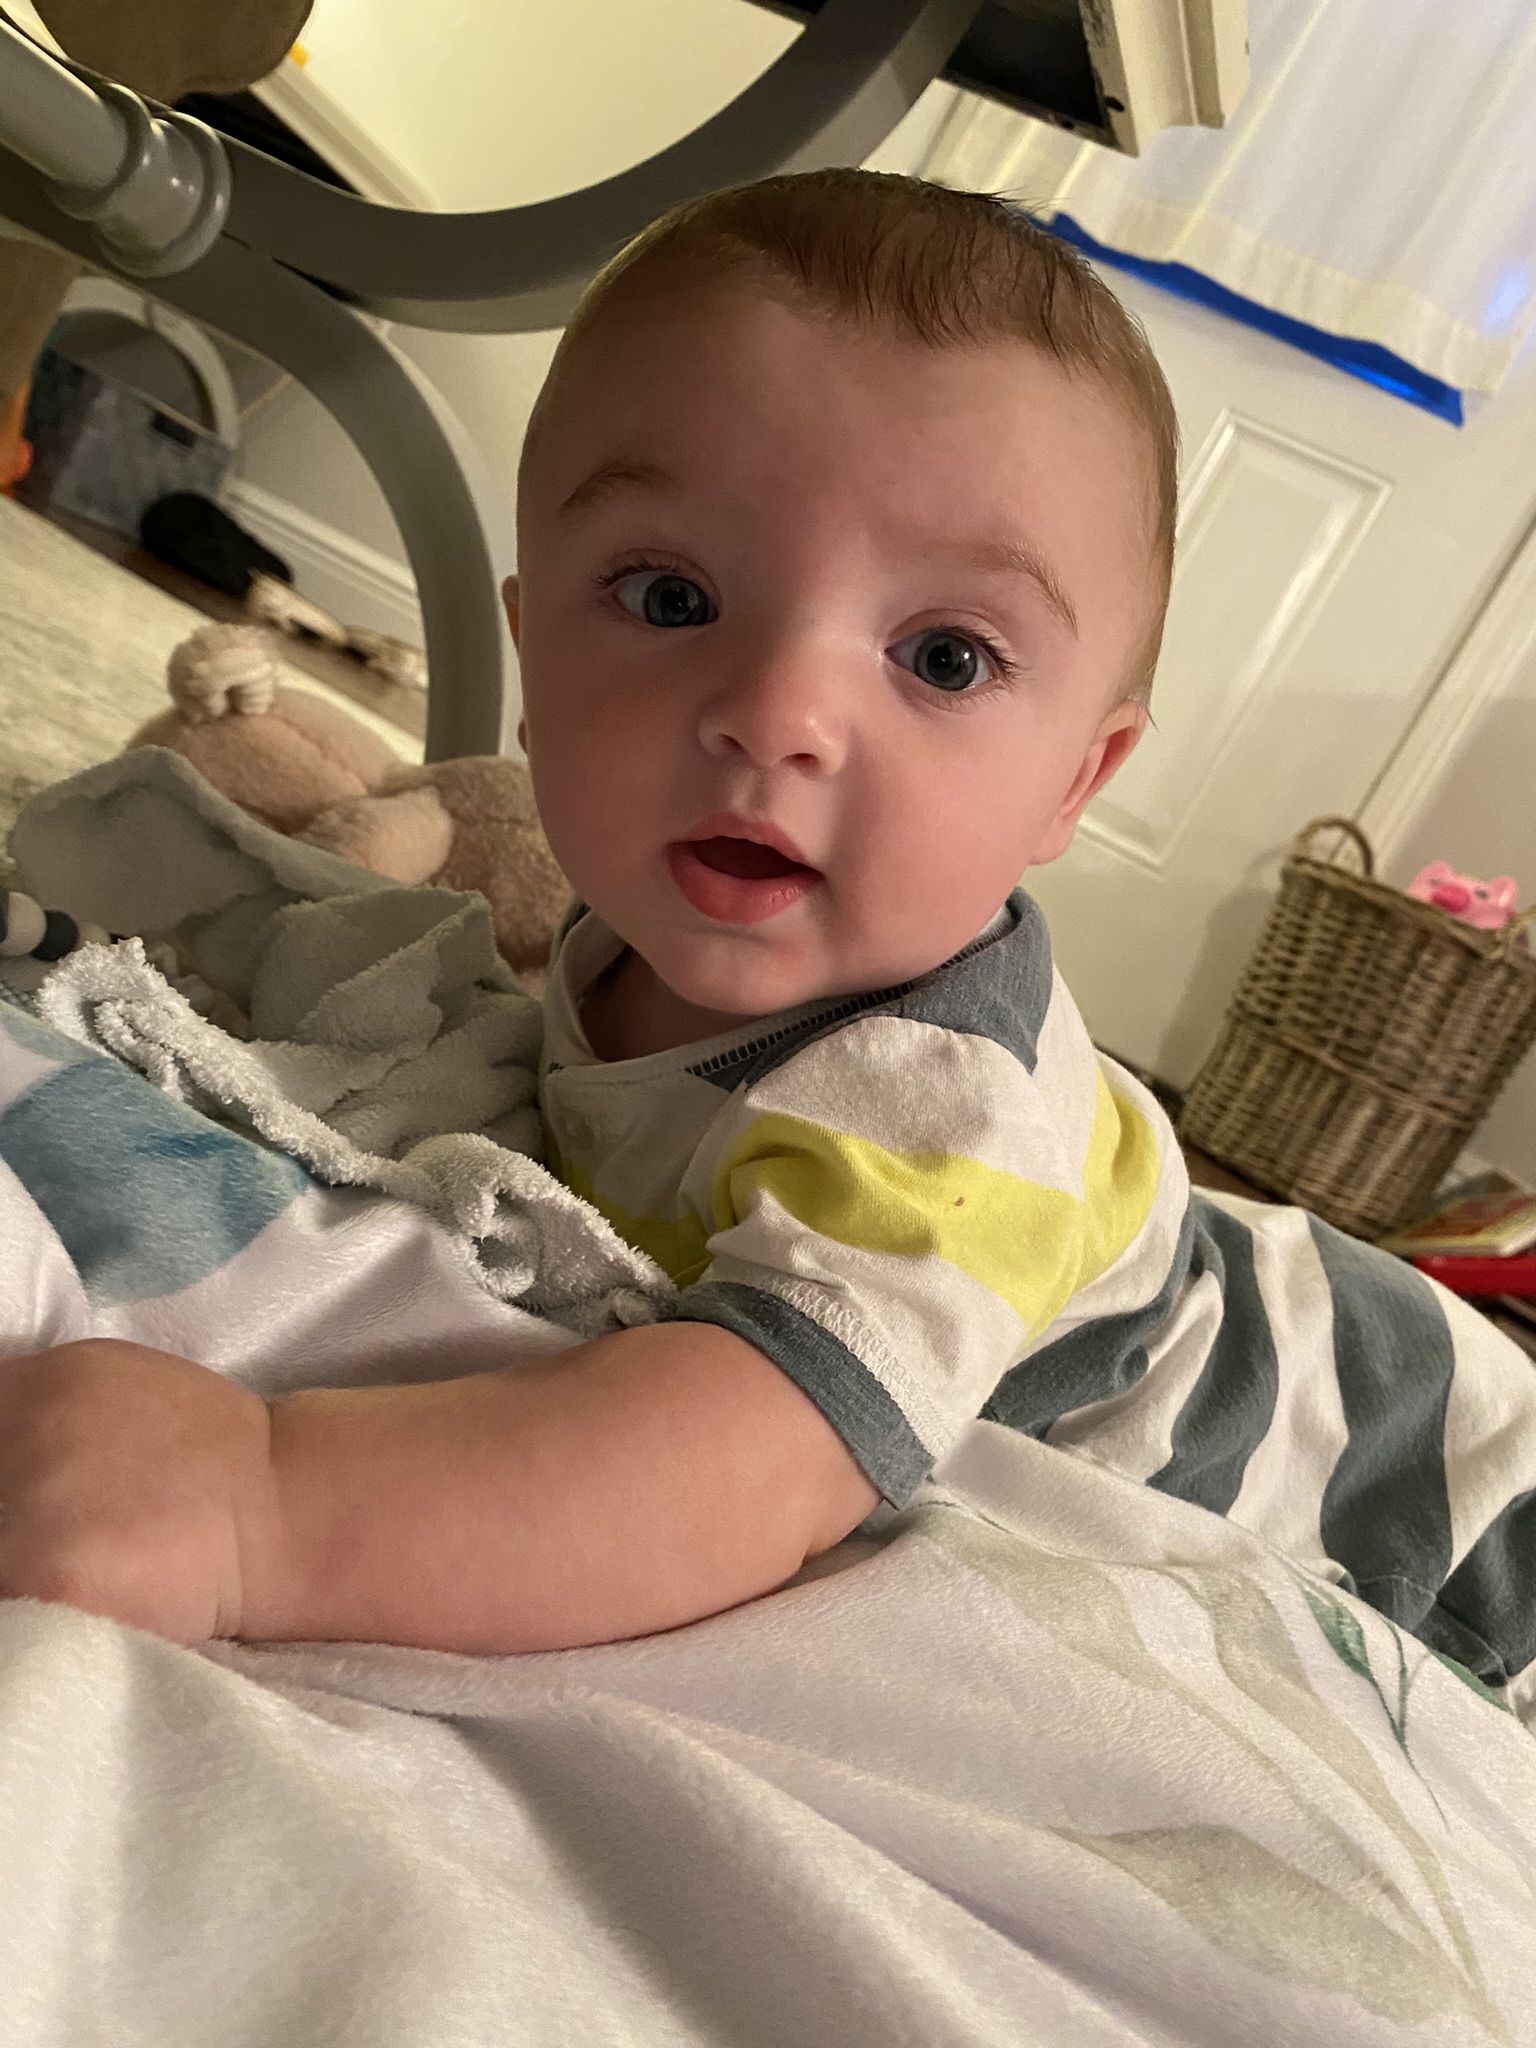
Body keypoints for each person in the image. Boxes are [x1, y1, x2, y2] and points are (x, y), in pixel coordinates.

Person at [2, 172, 1531, 1713]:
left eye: (945, 657)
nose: (776, 714)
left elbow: (740, 1464)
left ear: (1077, 781)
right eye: (672, 595)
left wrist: (264, 1507)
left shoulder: (942, 1111)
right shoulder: (629, 921)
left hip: (1427, 1483)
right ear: (533, 660)